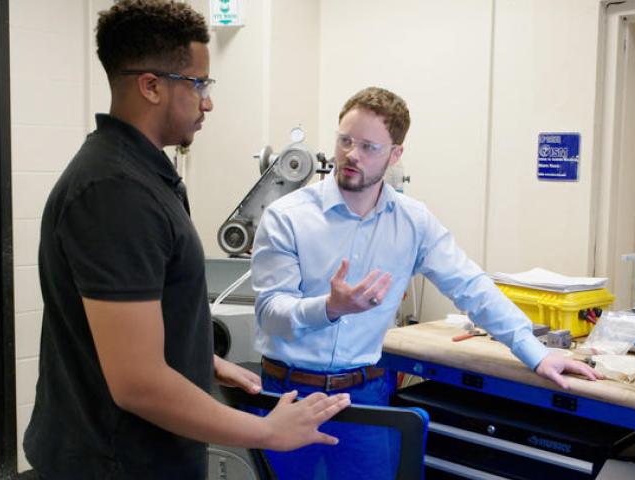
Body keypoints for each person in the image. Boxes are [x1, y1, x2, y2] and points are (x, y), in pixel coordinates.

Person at [23, 1, 349, 478]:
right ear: (151, 86)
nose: (207, 102)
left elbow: (131, 328)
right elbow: (138, 383)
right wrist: (267, 431)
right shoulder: (116, 192)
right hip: (115, 464)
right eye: (199, 85)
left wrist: (203, 360)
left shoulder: (142, 175)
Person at [250, 86, 603, 479]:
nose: (351, 154)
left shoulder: (413, 222)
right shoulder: (287, 216)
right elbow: (270, 314)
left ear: (395, 154)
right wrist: (330, 308)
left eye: (368, 147)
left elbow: (471, 286)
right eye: (345, 140)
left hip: (362, 395)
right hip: (289, 393)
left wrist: (535, 352)